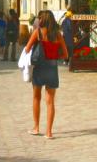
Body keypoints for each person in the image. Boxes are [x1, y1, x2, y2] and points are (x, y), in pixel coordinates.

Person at [24, 10, 68, 139]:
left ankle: (36, 128)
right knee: (50, 101)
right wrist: (54, 56)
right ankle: (49, 132)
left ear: (42, 19)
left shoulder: (37, 32)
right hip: (52, 68)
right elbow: (66, 54)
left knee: (36, 98)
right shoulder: (58, 35)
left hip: (39, 68)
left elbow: (27, 49)